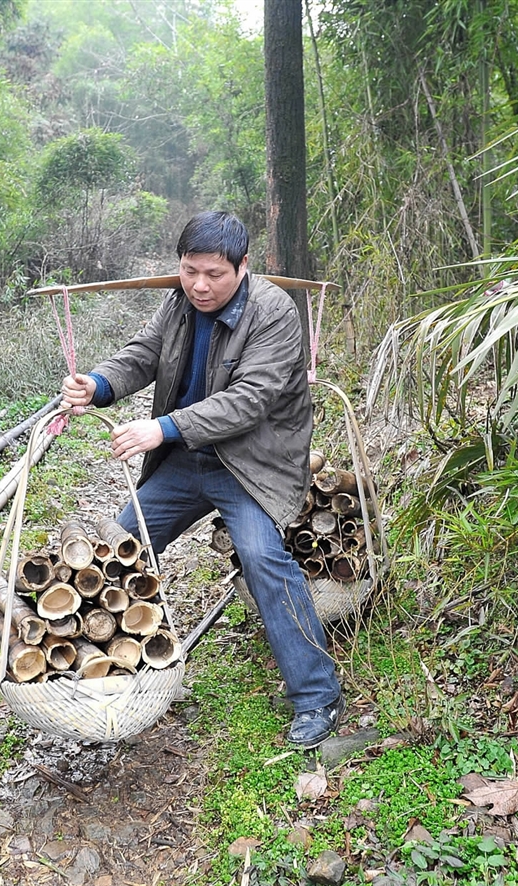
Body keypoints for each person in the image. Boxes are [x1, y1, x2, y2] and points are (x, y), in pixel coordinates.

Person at [61, 211, 344, 748]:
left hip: (251, 464)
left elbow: (250, 400)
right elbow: (143, 355)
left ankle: (317, 695)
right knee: (116, 548)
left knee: (264, 559)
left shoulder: (274, 312)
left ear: (242, 267)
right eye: (190, 270)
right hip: (188, 459)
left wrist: (160, 428)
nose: (199, 285)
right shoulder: (179, 303)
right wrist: (96, 385)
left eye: (214, 273)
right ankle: (100, 673)